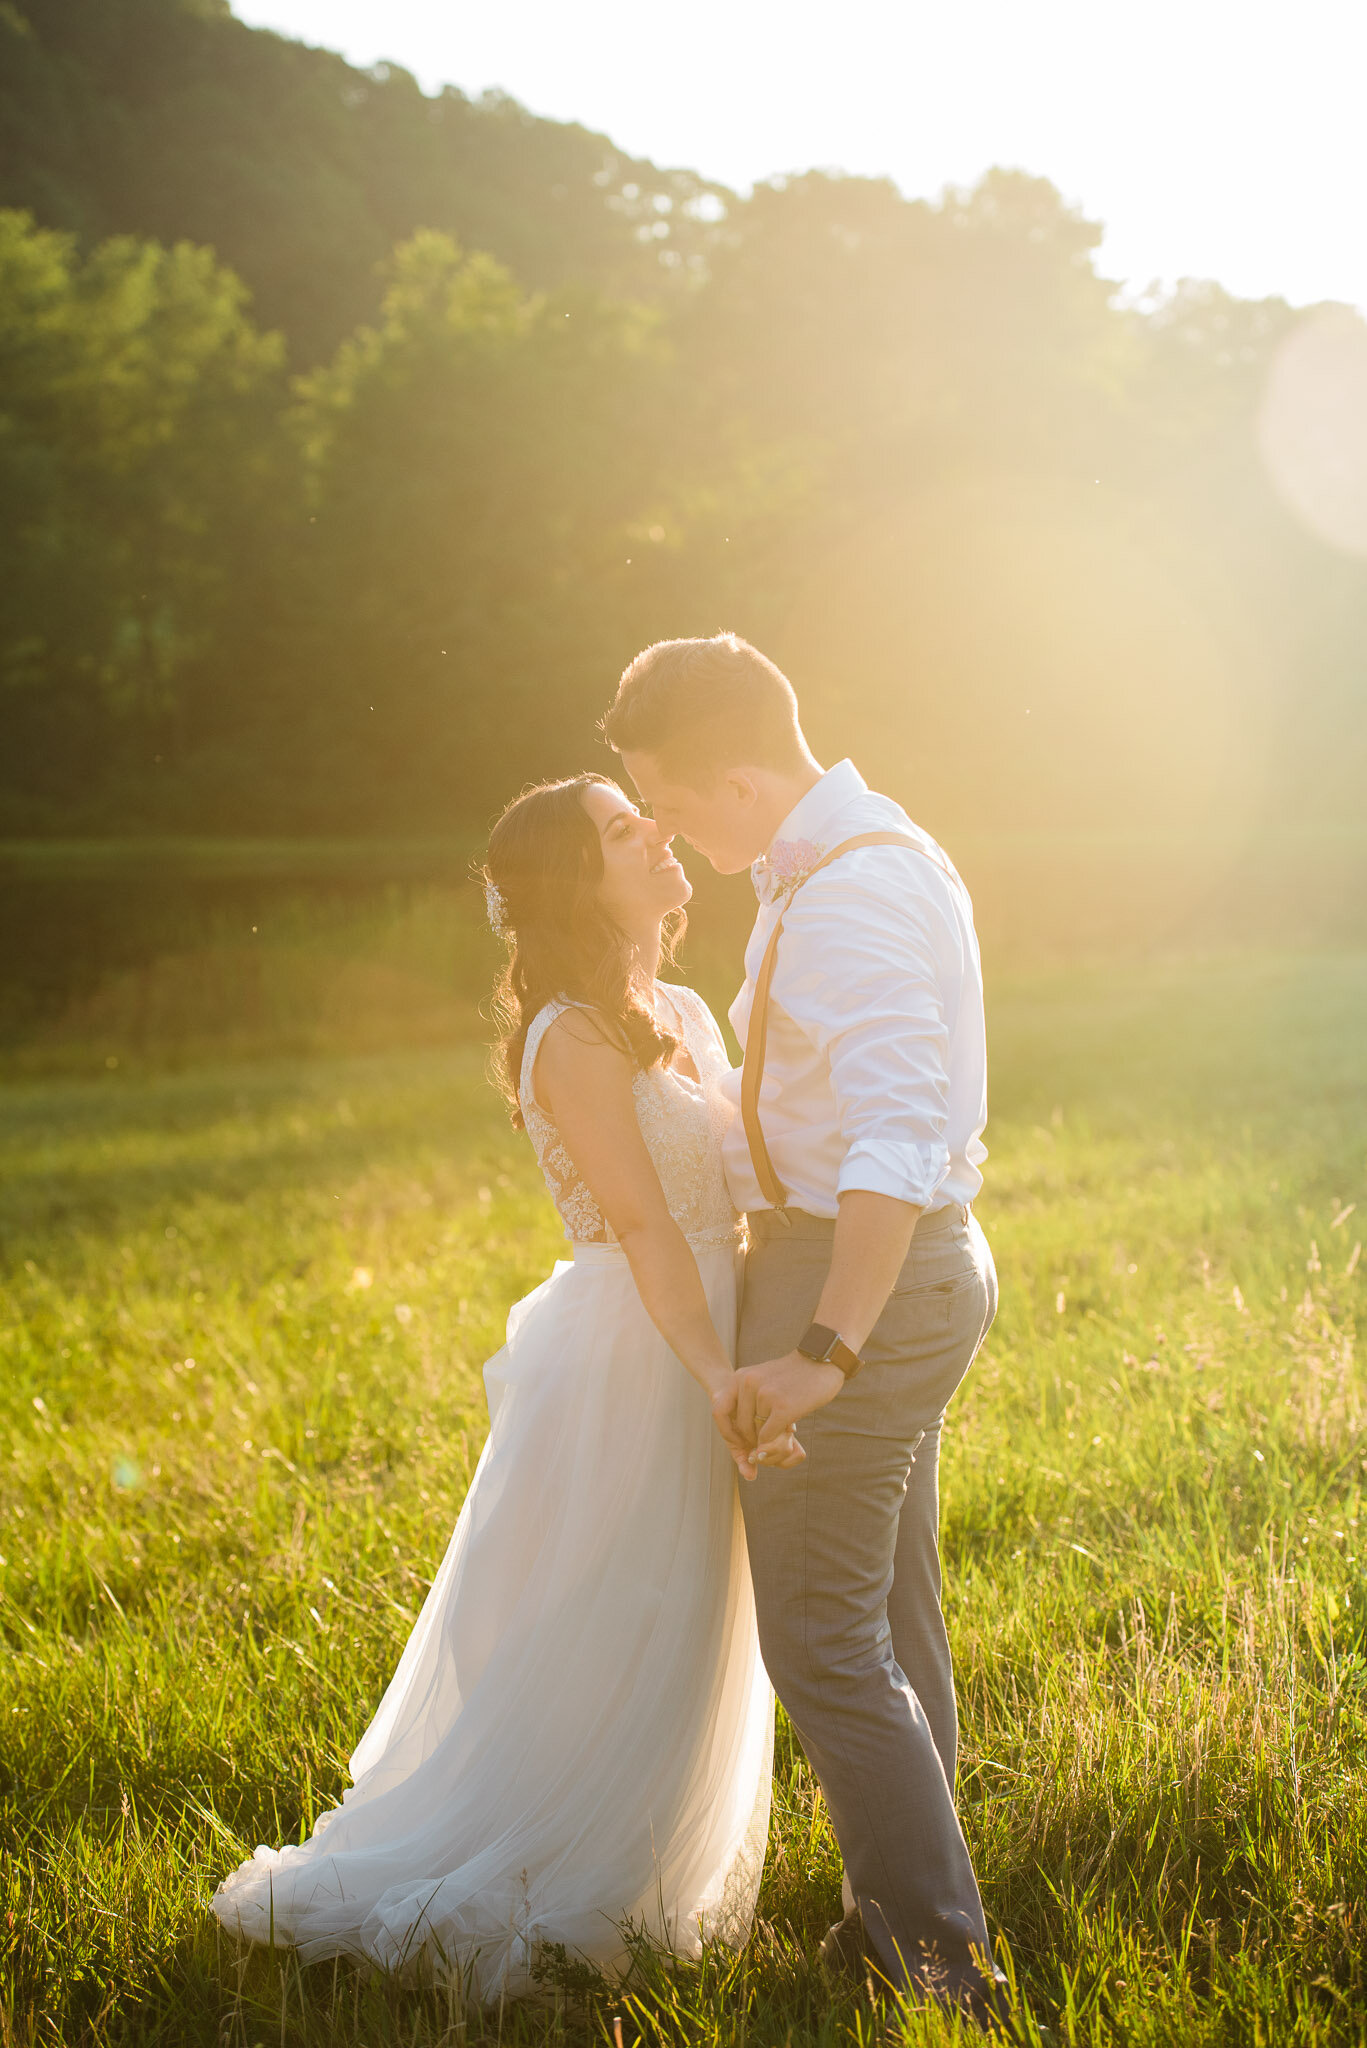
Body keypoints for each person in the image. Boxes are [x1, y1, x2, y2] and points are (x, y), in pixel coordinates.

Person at [210, 773, 774, 1998]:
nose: (658, 833)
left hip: (709, 1329)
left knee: (689, 1615)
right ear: (580, 880)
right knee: (614, 1610)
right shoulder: (563, 1032)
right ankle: (546, 1874)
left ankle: (638, 1868)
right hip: (638, 1348)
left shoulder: (676, 1002)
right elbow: (646, 1229)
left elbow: (747, 1172)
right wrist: (723, 1370)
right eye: (627, 830)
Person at [604, 633, 1003, 2018]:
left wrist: (822, 1349)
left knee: (823, 1641)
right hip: (866, 1270)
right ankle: (894, 1917)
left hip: (862, 1283)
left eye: (666, 802)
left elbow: (893, 1140)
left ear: (737, 779)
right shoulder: (832, 866)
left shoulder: (848, 895)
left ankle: (946, 1966)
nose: (659, 830)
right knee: (885, 1610)